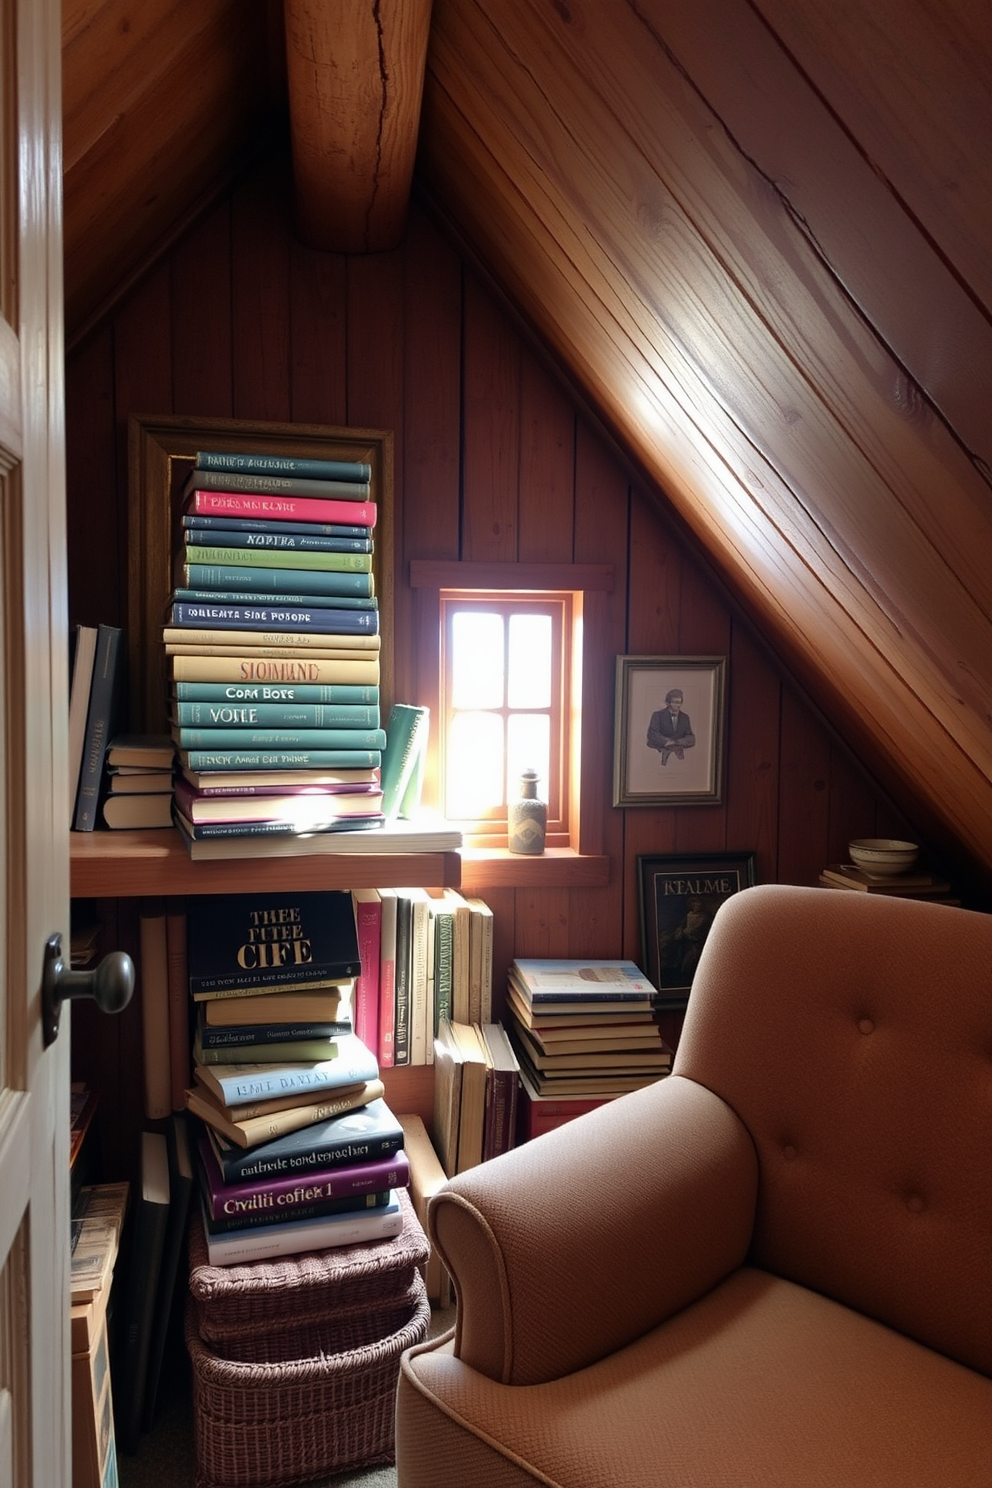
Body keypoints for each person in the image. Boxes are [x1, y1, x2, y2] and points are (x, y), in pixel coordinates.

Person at [646, 688, 695, 764]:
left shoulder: (685, 717)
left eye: (680, 702)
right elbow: (652, 734)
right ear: (668, 703)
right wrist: (666, 741)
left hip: (679, 753)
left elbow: (691, 737)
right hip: (658, 753)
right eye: (675, 702)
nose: (678, 705)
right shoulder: (657, 715)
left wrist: (676, 742)